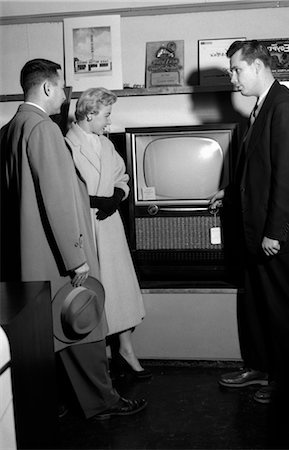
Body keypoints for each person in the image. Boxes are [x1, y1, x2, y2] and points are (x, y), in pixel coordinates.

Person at [0, 58, 147, 420]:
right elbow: (59, 199)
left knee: (41, 339)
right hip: (57, 256)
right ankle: (103, 402)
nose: (65, 94)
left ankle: (59, 402)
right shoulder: (45, 130)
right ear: (48, 88)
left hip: (26, 257)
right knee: (84, 326)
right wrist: (76, 258)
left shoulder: (9, 129)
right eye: (62, 87)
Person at [210, 40, 289, 411]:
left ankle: (285, 381)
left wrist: (275, 231)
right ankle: (260, 368)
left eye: (237, 70)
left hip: (277, 233)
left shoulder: (285, 107)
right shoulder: (261, 108)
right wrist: (229, 191)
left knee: (282, 307)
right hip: (257, 229)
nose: (233, 79)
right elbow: (258, 170)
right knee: (258, 305)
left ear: (258, 67)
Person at [65, 87, 151, 380]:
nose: (109, 122)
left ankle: (126, 352)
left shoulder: (106, 144)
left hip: (110, 223)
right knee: (91, 295)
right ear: (90, 114)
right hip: (84, 227)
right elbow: (62, 192)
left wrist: (116, 195)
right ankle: (98, 365)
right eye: (106, 115)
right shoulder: (66, 145)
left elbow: (121, 177)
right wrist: (90, 201)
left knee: (121, 292)